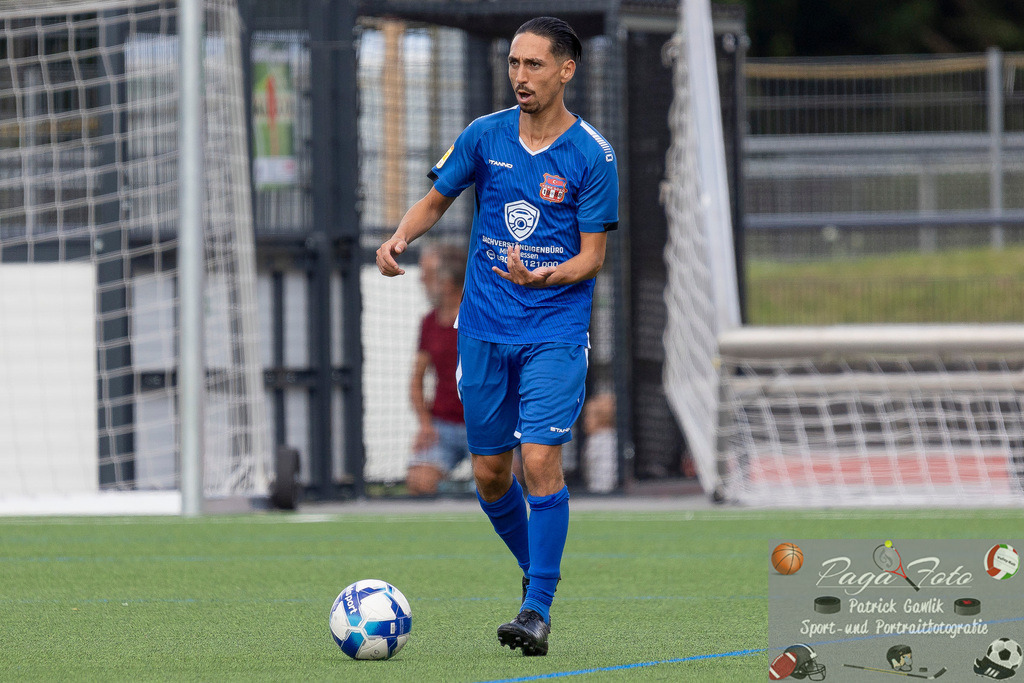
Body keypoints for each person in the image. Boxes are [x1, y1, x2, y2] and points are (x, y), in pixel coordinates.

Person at [376, 16, 618, 656]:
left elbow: (593, 256)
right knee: (490, 474)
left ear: (566, 70)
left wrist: (542, 276)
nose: (520, 76)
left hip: (553, 328)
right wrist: (400, 236)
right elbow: (436, 200)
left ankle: (537, 607)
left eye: (534, 64)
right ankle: (536, 569)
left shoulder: (593, 155)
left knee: (538, 460)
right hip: (483, 328)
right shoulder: (484, 135)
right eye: (514, 63)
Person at [407, 244, 469, 496]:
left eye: (428, 274)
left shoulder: (479, 318)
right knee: (418, 481)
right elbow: (417, 380)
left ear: (447, 282)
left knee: (508, 478)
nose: (422, 280)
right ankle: (460, 489)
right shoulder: (429, 323)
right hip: (442, 427)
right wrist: (425, 424)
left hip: (483, 424)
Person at [581, 392, 617, 493]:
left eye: (588, 416)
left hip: (601, 489)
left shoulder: (599, 439)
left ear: (602, 418)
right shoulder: (612, 436)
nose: (585, 421)